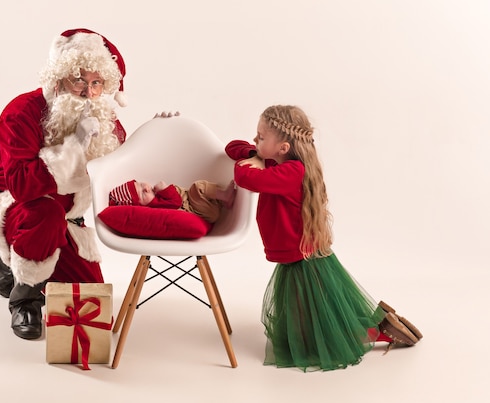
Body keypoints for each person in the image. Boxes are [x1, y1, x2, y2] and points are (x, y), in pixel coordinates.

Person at [225, 104, 423, 371]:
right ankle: (377, 324)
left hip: (301, 257)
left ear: (283, 147)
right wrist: (255, 153)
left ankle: (377, 332)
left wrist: (255, 161)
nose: (254, 140)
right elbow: (232, 147)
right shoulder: (278, 162)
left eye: (261, 137)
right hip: (298, 253)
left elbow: (247, 178)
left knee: (313, 322)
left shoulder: (290, 172)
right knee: (314, 313)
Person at [0, 28, 128, 340]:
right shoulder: (21, 112)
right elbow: (22, 187)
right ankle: (25, 297)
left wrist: (157, 135)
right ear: (59, 79)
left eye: (96, 83)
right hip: (13, 205)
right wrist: (74, 146)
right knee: (44, 212)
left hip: (66, 218)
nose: (87, 91)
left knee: (90, 302)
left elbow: (120, 174)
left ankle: (17, 265)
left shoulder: (103, 118)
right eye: (79, 80)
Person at [108, 178, 236, 223]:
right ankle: (225, 196)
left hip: (204, 206)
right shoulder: (155, 206)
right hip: (199, 210)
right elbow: (176, 202)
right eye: (142, 194)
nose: (146, 188)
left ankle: (222, 200)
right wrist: (165, 189)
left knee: (202, 190)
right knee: (198, 187)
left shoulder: (155, 198)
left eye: (141, 185)